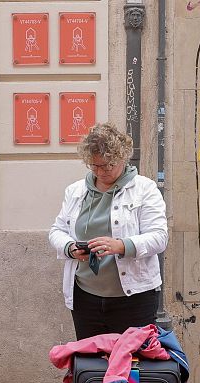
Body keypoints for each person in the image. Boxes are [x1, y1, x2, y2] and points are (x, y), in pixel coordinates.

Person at [49, 122, 168, 339]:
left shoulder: (144, 189)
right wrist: (70, 248)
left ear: (122, 158)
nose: (100, 171)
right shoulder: (76, 191)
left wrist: (121, 246)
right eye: (94, 166)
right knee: (92, 364)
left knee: (132, 367)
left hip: (134, 298)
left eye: (107, 166)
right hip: (85, 297)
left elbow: (159, 237)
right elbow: (57, 230)